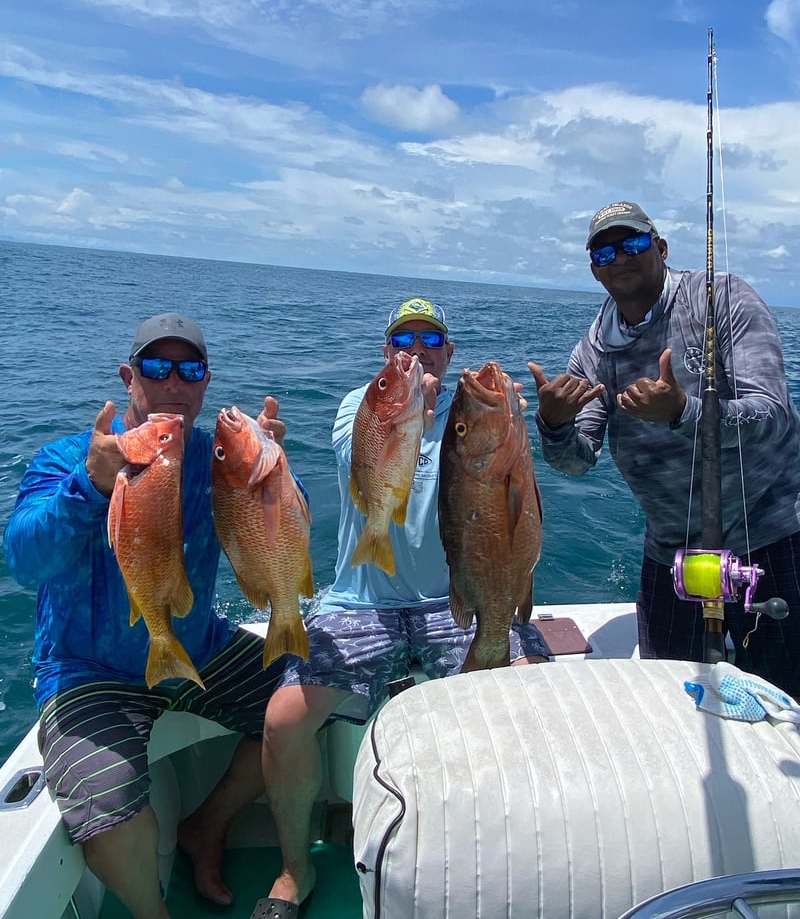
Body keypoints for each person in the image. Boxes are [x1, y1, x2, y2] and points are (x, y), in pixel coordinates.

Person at [255, 297, 549, 918]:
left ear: (449, 351)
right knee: (283, 718)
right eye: (402, 339)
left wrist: (512, 422)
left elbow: (516, 494)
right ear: (387, 353)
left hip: (457, 600)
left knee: (529, 697)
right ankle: (294, 869)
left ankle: (513, 860)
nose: (416, 349)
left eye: (431, 339)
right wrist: (409, 408)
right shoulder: (362, 409)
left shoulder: (475, 415)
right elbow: (357, 463)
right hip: (363, 601)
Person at [3, 312, 292, 919]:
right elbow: (24, 557)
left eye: (190, 370)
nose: (174, 383)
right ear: (129, 378)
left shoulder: (216, 461)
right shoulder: (69, 459)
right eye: (157, 368)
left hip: (194, 645)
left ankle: (205, 827)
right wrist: (89, 485)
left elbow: (270, 552)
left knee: (310, 697)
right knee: (104, 804)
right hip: (87, 671)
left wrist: (267, 478)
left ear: (205, 382)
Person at [529, 199, 800, 698]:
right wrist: (553, 423)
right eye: (605, 252)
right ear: (594, 270)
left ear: (661, 247)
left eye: (632, 243)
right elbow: (576, 461)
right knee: (669, 701)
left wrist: (683, 411)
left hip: (770, 536)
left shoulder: (722, 299)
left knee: (786, 705)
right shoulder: (592, 350)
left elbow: (775, 412)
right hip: (670, 551)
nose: (621, 257)